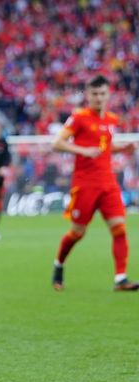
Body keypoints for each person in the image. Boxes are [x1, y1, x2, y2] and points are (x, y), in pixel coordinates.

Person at [51, 75, 139, 292]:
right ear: (88, 95)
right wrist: (82, 151)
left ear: (108, 95)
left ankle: (121, 278)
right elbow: (57, 143)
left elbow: (104, 147)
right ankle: (59, 265)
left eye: (102, 94)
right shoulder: (79, 117)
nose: (98, 98)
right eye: (94, 94)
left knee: (119, 228)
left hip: (108, 183)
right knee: (78, 232)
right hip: (85, 184)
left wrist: (121, 148)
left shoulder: (111, 119)